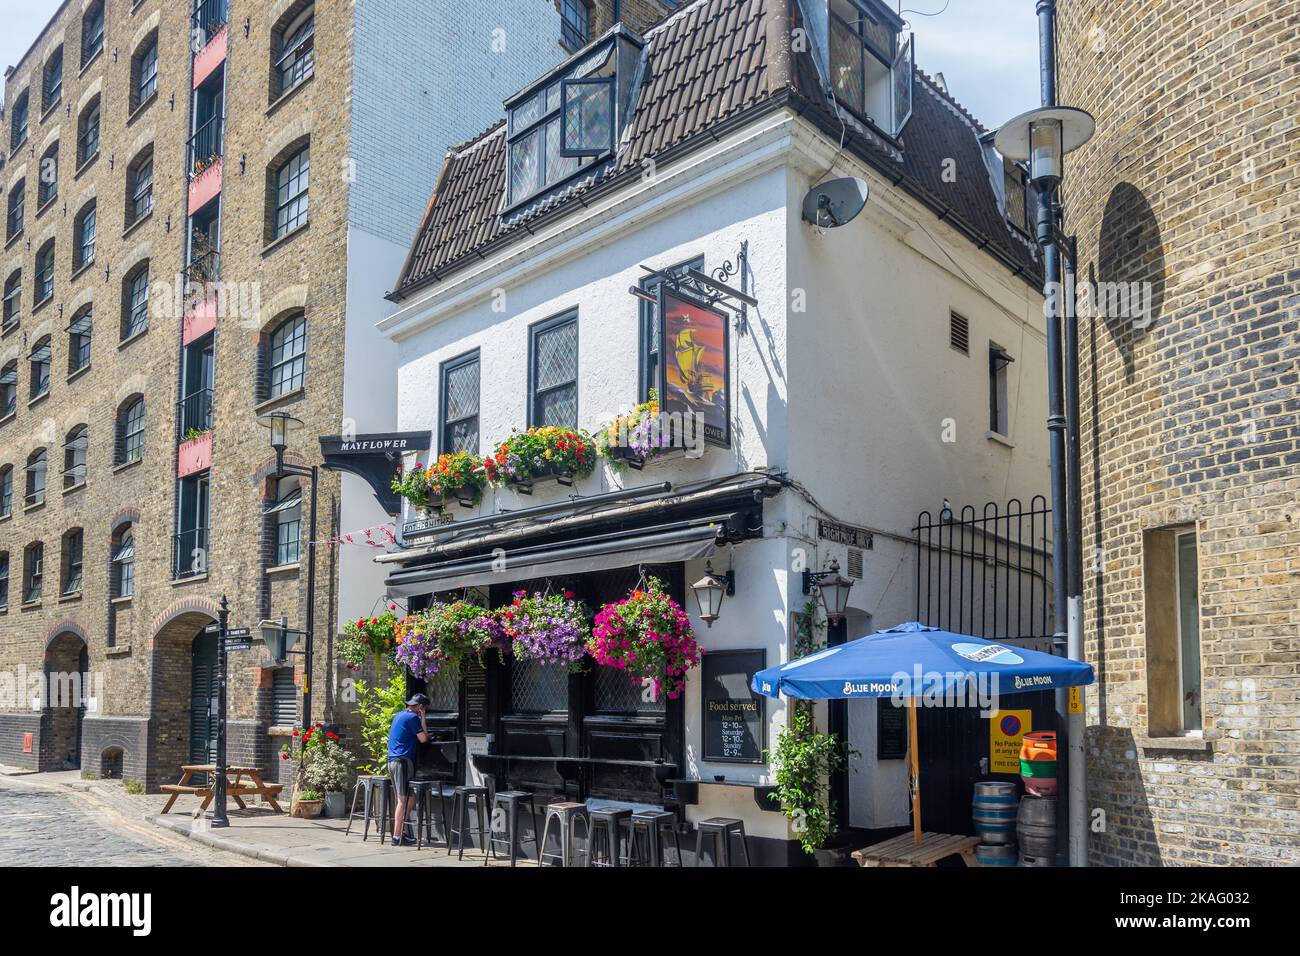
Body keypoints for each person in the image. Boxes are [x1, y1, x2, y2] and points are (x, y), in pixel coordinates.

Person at [387, 693, 430, 846]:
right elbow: (424, 738)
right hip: (402, 762)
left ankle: (402, 832)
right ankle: (397, 837)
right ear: (420, 707)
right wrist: (423, 718)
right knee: (402, 799)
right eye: (423, 709)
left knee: (410, 799)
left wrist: (421, 717)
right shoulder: (412, 718)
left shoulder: (399, 715)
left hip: (392, 761)